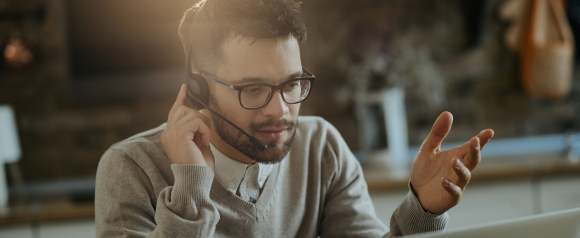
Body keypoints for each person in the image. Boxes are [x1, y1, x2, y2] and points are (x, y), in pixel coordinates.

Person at [95, 0, 495, 237]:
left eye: (292, 84)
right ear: (200, 88)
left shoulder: (321, 147)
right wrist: (189, 191)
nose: (281, 111)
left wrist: (422, 208)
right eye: (253, 89)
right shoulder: (131, 168)